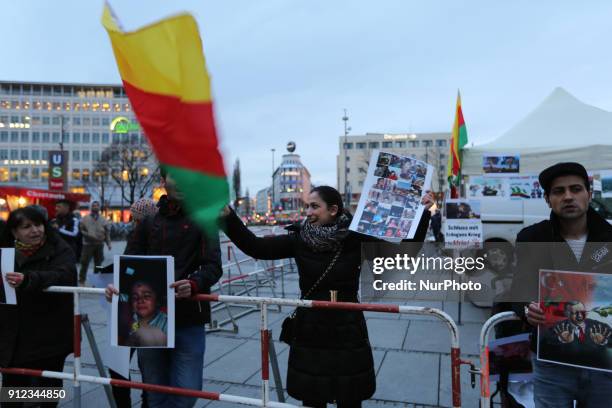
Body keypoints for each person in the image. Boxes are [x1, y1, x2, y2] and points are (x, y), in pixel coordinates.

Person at [221, 185, 433, 407]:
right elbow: (257, 248)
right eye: (307, 207)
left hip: (347, 329)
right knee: (313, 398)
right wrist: (228, 218)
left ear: (333, 210)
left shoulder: (355, 239)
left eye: (314, 206)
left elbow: (401, 256)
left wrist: (422, 214)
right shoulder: (299, 239)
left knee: (349, 398)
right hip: (311, 330)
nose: (308, 212)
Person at [105, 169, 222, 408]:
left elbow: (213, 265)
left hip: (189, 317)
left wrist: (193, 283)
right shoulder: (149, 222)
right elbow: (130, 262)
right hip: (149, 319)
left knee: (188, 392)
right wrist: (117, 285)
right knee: (154, 390)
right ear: (163, 181)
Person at [511, 162, 612, 407]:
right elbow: (516, 291)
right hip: (552, 362)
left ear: (589, 193)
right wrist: (526, 309)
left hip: (605, 362)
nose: (568, 196)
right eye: (558, 191)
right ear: (547, 199)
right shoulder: (532, 238)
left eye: (576, 189)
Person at [0, 207, 76, 406]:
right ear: (14, 232)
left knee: (47, 389)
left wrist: (29, 279)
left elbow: (64, 274)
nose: (35, 230)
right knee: (12, 391)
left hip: (49, 335)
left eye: (38, 224)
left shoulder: (59, 248)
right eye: (27, 227)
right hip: (14, 335)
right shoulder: (5, 250)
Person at [125, 281, 168, 347]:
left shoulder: (166, 322)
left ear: (157, 301)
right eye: (135, 297)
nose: (140, 300)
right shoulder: (132, 319)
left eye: (146, 296)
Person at [79, 201, 111, 285]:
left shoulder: (103, 219)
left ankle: (96, 281)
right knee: (84, 262)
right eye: (94, 205)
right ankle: (82, 280)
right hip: (88, 244)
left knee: (99, 264)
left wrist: (109, 243)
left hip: (99, 244)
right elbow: (81, 230)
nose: (95, 207)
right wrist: (88, 235)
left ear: (99, 207)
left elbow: (107, 232)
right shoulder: (85, 218)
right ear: (91, 207)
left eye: (97, 205)